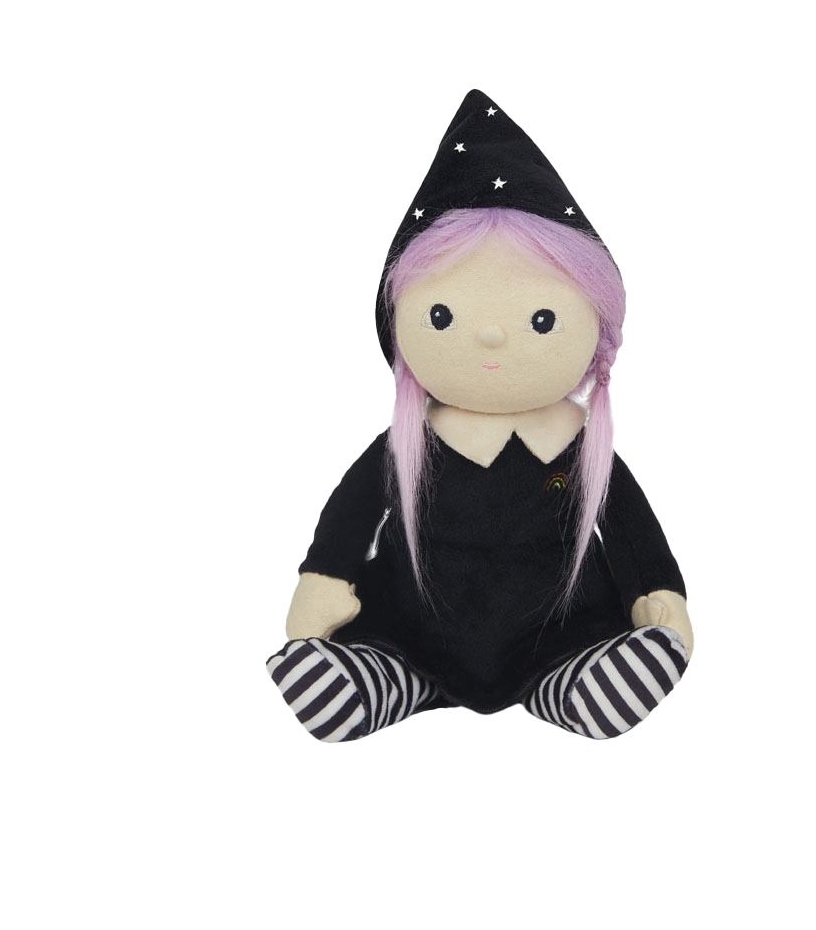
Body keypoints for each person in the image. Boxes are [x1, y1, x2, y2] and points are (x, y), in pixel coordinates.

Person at [266, 91, 694, 742]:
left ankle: (570, 684)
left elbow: (633, 533)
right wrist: (325, 579)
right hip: (415, 634)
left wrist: (656, 594)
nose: (492, 337)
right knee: (388, 645)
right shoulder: (412, 443)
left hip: (558, 634)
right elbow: (350, 517)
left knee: (581, 649)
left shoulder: (577, 445)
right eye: (442, 316)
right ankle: (381, 679)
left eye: (541, 319)